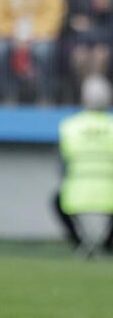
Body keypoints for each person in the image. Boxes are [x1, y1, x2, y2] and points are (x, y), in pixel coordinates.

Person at [54, 76, 113, 255]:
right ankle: (107, 244)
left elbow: (62, 163)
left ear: (83, 99)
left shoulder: (69, 126)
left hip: (75, 193)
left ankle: (80, 243)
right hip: (110, 193)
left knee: (56, 201)